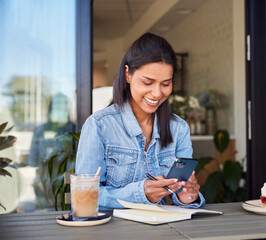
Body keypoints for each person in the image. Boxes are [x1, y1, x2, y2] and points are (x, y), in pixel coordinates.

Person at [75, 33, 205, 210]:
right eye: (148, 82)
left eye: (165, 84)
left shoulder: (179, 129)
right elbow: (85, 195)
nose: (157, 93)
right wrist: (140, 193)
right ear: (128, 74)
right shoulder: (99, 126)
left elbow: (181, 198)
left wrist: (186, 197)